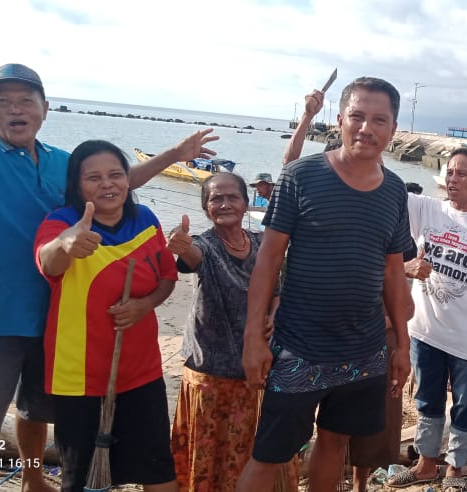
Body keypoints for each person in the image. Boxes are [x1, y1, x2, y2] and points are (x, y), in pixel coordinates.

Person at [0, 7, 218, 489]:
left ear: (44, 107)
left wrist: (175, 156)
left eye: (25, 99)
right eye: (3, 101)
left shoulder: (62, 162)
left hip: (56, 317)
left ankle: (33, 477)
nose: (16, 108)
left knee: (35, 409)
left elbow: (113, 184)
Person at [237, 77, 413, 492]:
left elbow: (393, 272)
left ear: (393, 129)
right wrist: (252, 337)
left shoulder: (394, 191)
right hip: (301, 347)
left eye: (379, 120)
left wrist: (402, 345)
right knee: (270, 453)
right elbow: (268, 258)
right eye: (357, 116)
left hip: (365, 350)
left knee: (336, 441)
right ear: (339, 120)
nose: (366, 128)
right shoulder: (301, 175)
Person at [34, 140, 178, 491]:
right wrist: (67, 243)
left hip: (141, 372)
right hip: (79, 376)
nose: (107, 184)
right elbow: (48, 260)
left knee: (158, 472)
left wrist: (145, 306)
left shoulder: (145, 220)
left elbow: (167, 278)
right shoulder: (61, 222)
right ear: (76, 184)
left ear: (128, 181)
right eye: (93, 177)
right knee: (83, 479)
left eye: (115, 175)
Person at [386, 147, 467, 490]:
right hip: (425, 331)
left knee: (464, 404)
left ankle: (456, 469)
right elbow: (384, 184)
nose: (453, 178)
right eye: (449, 172)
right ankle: (426, 464)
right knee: (427, 400)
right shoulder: (426, 208)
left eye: (462, 173)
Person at [167, 173, 271, 491]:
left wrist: (276, 315)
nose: (224, 204)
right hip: (208, 375)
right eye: (215, 198)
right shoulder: (204, 245)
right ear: (206, 207)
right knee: (205, 456)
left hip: (253, 373)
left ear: (245, 203)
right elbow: (192, 257)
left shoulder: (261, 244)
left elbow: (279, 287)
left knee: (246, 456)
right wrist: (180, 246)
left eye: (232, 197)